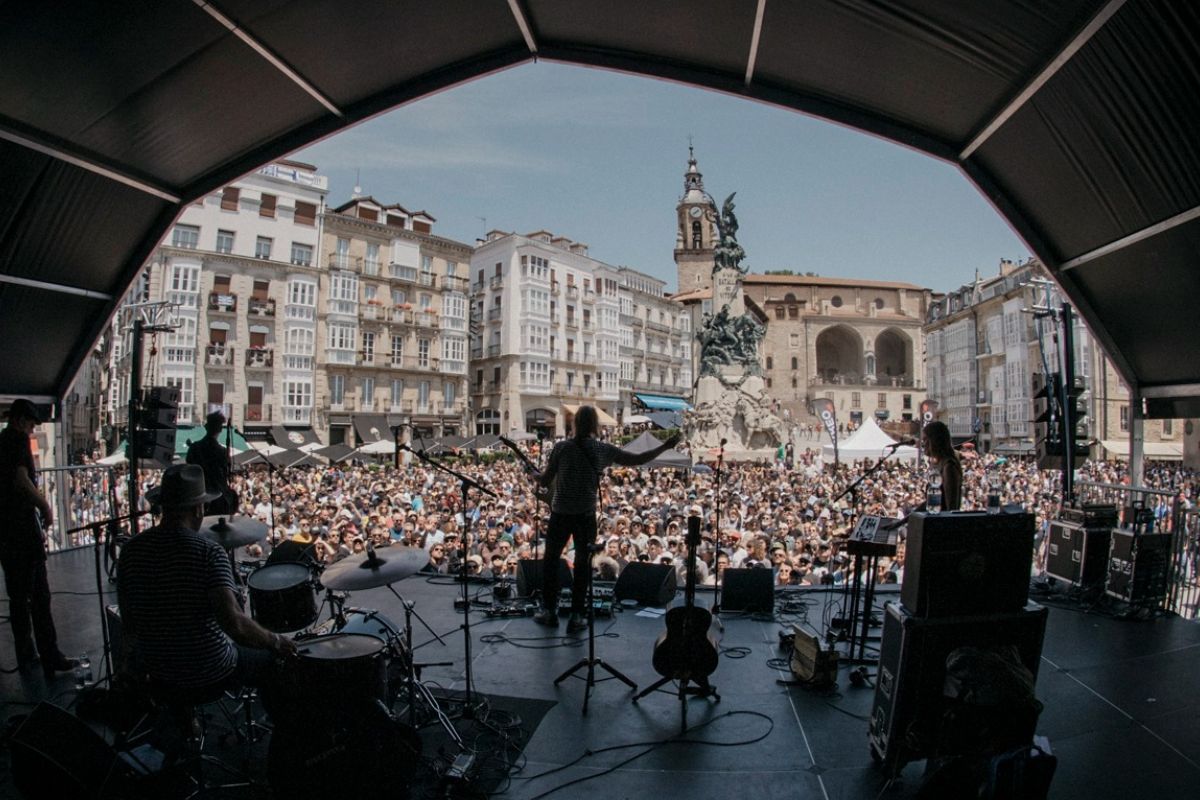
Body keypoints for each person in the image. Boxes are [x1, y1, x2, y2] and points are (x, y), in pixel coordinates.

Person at [117, 464, 296, 693]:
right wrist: (276, 642)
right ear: (199, 509)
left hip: (156, 673)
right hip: (208, 671)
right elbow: (235, 626)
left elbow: (129, 620)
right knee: (274, 661)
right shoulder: (208, 552)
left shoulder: (131, 551)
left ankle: (184, 721)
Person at [530, 406, 681, 632]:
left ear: (575, 424)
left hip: (560, 514)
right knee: (582, 564)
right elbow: (637, 459)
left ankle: (549, 612)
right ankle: (577, 616)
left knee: (551, 562)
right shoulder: (602, 450)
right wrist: (665, 446)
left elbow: (544, 481)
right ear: (594, 426)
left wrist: (534, 474)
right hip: (585, 516)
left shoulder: (561, 448)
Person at [0, 399, 76, 679]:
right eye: (31, 425)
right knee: (40, 597)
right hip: (21, 531)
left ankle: (26, 654)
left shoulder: (1, 441)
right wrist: (44, 505)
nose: (32, 431)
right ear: (20, 421)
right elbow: (21, 479)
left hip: (6, 533)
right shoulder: (17, 441)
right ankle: (50, 655)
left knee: (18, 598)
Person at [186, 410, 236, 516]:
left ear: (206, 427)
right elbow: (224, 475)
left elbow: (188, 470)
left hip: (197, 496)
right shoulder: (222, 451)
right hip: (217, 498)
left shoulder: (194, 448)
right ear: (219, 430)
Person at [922, 420, 963, 511]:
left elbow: (951, 508)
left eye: (925, 439)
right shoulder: (939, 465)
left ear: (934, 440)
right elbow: (930, 502)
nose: (923, 444)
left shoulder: (949, 467)